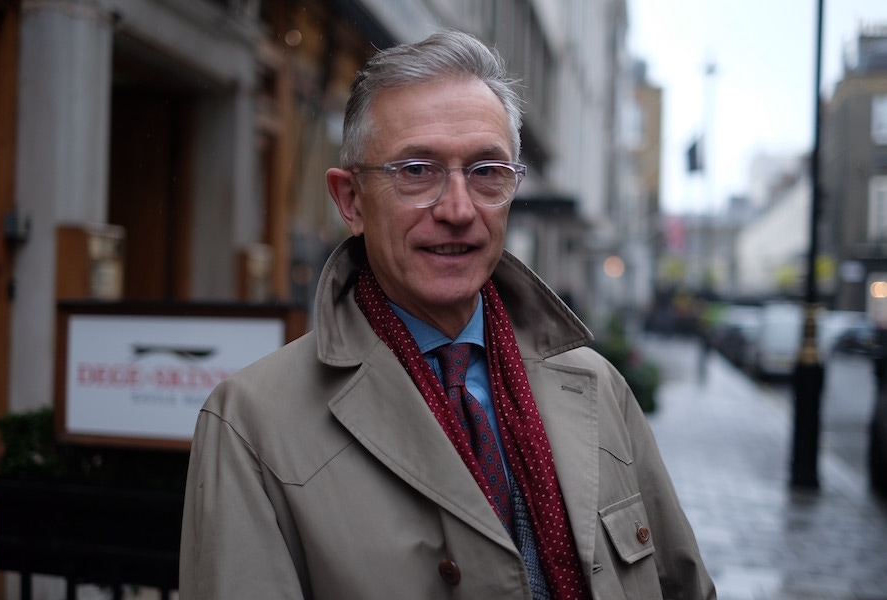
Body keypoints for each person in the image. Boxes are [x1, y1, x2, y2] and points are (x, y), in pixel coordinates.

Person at [179, 29, 716, 600]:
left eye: (486, 171)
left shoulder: (595, 386)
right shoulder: (252, 424)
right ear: (350, 201)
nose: (458, 210)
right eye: (416, 170)